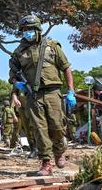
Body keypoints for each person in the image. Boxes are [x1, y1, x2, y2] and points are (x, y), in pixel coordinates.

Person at [10, 14, 75, 176]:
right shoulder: (18, 53)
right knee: (39, 130)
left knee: (57, 126)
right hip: (33, 96)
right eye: (25, 30)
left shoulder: (52, 47)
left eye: (31, 29)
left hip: (53, 92)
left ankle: (59, 151)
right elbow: (13, 75)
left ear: (38, 29)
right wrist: (17, 85)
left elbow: (66, 68)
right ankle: (46, 162)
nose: (28, 32)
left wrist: (71, 91)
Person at [12, 93, 37, 158]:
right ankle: (33, 149)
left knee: (36, 127)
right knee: (27, 129)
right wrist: (15, 98)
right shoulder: (18, 83)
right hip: (22, 108)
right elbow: (14, 92)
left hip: (34, 106)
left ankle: (40, 148)